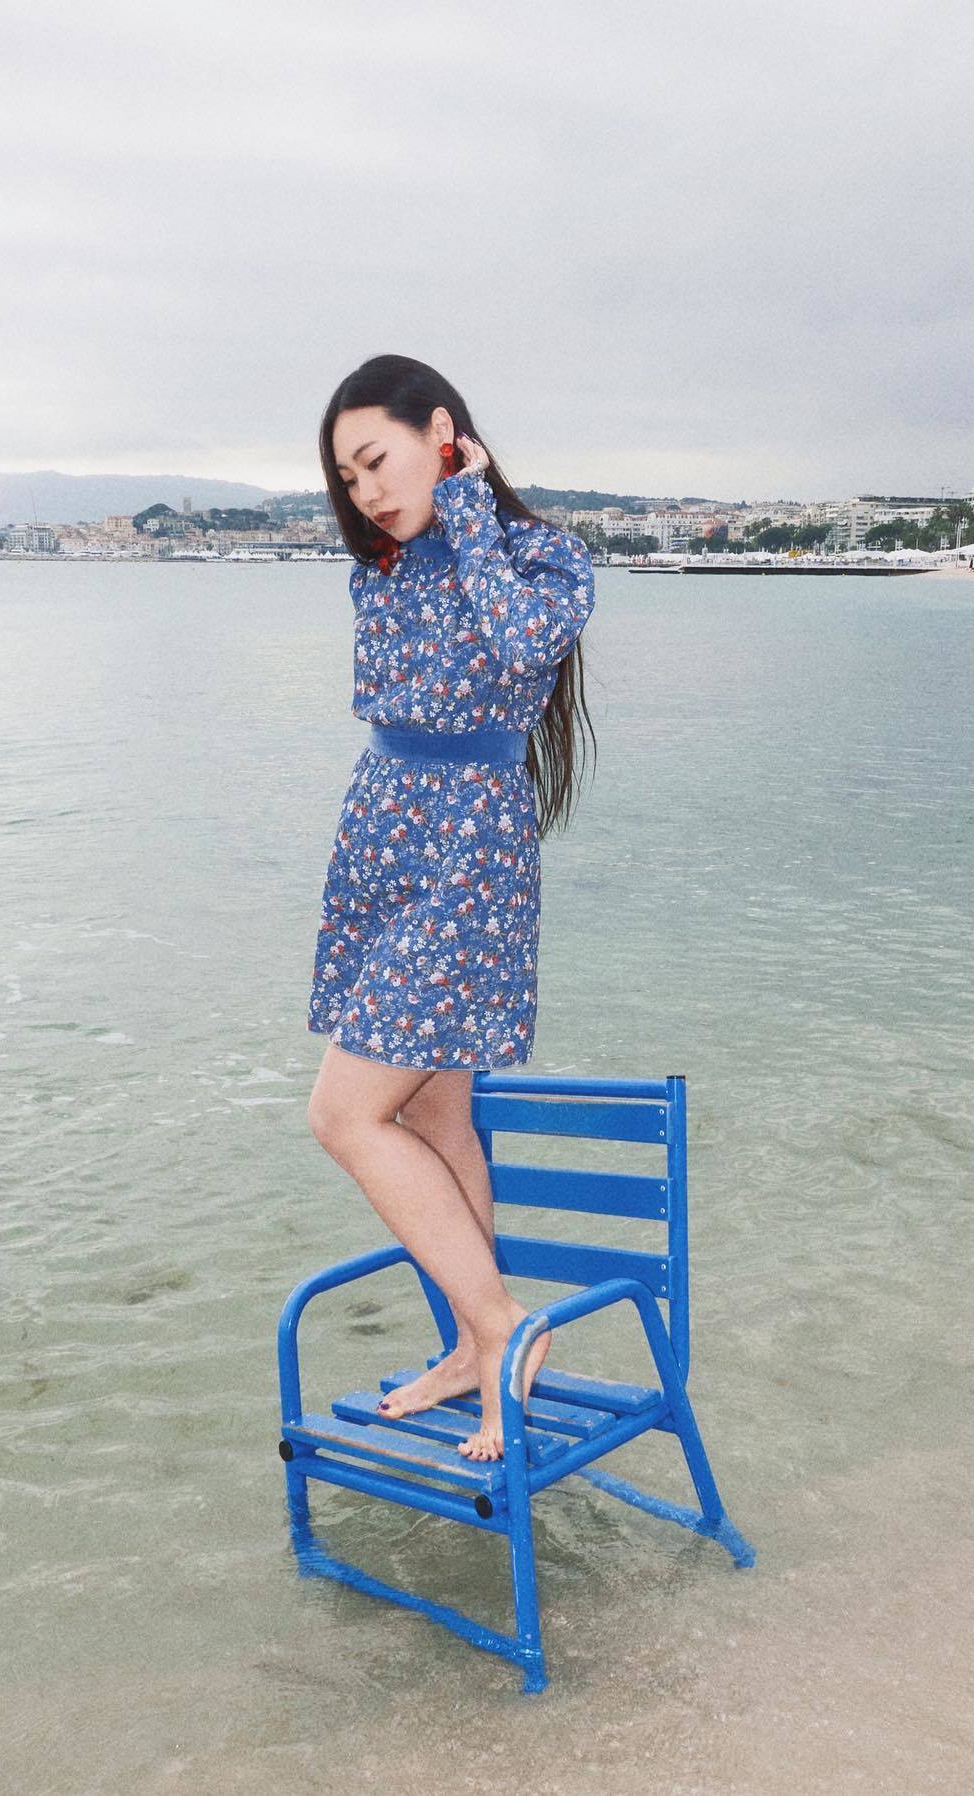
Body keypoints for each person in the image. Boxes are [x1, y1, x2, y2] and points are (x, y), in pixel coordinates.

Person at [305, 354, 598, 1462]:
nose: (366, 491)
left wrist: (470, 508)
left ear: (442, 434)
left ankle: (503, 1323)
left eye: (376, 460)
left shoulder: (543, 556)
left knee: (343, 1113)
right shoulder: (381, 570)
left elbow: (522, 643)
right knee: (432, 1118)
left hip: (471, 852)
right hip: (384, 836)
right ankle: (476, 1350)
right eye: (347, 477)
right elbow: (391, 706)